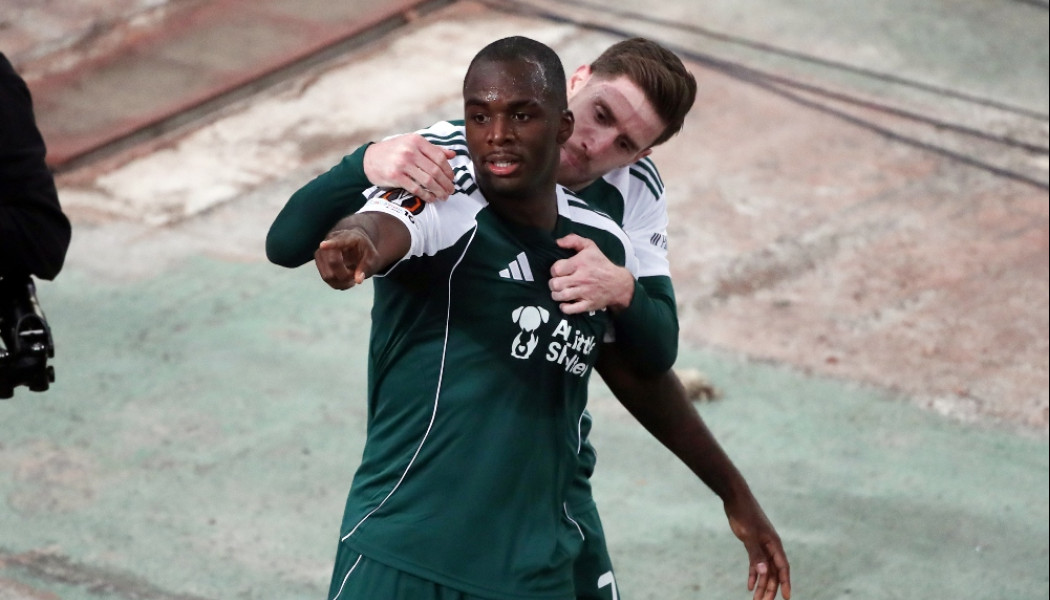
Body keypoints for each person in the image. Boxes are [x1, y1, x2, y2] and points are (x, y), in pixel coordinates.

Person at [269, 39, 791, 600]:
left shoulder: (620, 209)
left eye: (624, 143)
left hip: (552, 496)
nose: (595, 144)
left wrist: (623, 290)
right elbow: (329, 237)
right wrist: (364, 173)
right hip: (423, 522)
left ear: (640, 155)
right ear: (576, 86)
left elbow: (651, 357)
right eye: (600, 114)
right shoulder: (454, 164)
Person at [321, 36, 650, 599]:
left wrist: (732, 493)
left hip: (531, 569)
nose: (498, 134)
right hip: (403, 552)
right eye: (480, 117)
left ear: (560, 125)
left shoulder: (602, 244)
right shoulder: (443, 197)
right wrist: (353, 244)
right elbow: (380, 227)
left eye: (522, 116)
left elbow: (645, 367)